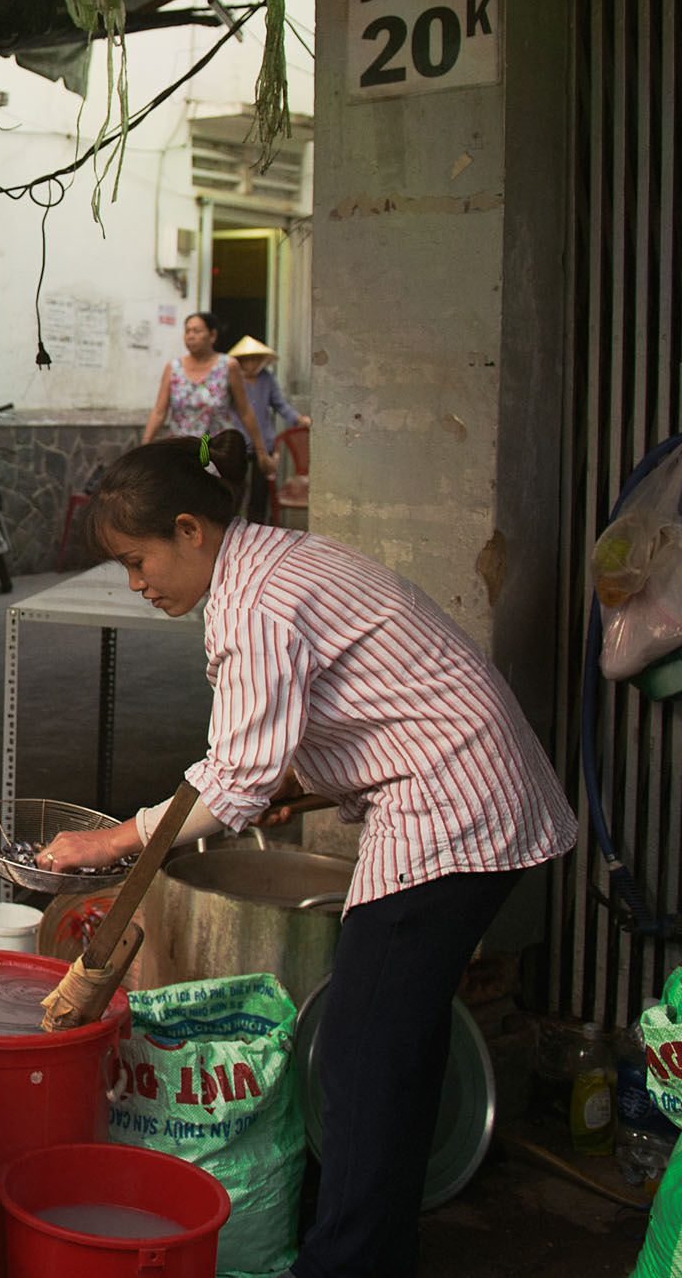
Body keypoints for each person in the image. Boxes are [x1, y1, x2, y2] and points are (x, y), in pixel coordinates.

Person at [33, 430, 575, 1278]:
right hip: (473, 785)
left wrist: (112, 837)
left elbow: (233, 780)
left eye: (139, 562)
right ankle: (378, 1249)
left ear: (190, 530)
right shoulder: (271, 561)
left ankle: (344, 1264)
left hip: (453, 806)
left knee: (359, 1056)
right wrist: (297, 782)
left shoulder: (254, 603)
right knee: (393, 1045)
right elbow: (349, 708)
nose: (137, 584)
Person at [142, 312, 271, 479]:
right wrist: (144, 447)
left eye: (197, 331)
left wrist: (261, 450)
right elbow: (159, 412)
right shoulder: (173, 368)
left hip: (217, 453)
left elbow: (245, 411)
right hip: (182, 452)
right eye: (187, 331)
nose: (191, 336)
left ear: (212, 335)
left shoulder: (228, 366)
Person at [229, 335, 308, 522]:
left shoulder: (267, 378)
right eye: (246, 359)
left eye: (255, 359)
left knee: (260, 491)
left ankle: (257, 526)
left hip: (264, 442)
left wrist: (299, 419)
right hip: (238, 440)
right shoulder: (231, 378)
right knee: (235, 487)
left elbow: (281, 405)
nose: (251, 364)